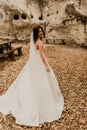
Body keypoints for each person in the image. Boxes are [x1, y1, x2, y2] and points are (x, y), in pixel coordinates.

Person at [0, 25, 64, 126]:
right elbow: (42, 55)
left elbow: (27, 48)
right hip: (39, 63)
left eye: (41, 31)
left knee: (31, 82)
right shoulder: (40, 42)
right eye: (39, 32)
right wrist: (46, 66)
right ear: (35, 33)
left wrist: (34, 56)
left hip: (32, 63)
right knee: (40, 82)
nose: (41, 33)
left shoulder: (32, 42)